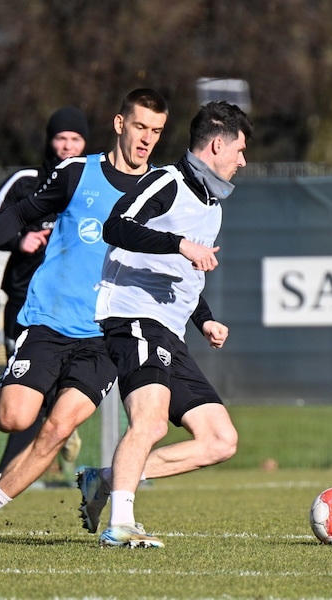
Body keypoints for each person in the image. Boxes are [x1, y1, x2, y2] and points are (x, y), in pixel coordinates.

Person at [0, 88, 169, 541]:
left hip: (106, 336)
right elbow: (22, 212)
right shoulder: (76, 173)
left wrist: (202, 315)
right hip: (50, 322)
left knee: (59, 428)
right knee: (15, 418)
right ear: (120, 123)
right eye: (140, 127)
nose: (146, 139)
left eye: (157, 132)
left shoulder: (160, 188)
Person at [78, 100, 254, 548]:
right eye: (240, 150)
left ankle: (103, 480)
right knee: (151, 423)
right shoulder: (165, 181)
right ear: (218, 144)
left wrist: (206, 320)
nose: (243, 161)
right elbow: (117, 227)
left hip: (169, 333)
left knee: (220, 440)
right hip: (133, 317)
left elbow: (183, 275)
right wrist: (180, 244)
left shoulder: (212, 206)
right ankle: (120, 525)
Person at [0, 107, 89, 498]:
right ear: (49, 141)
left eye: (76, 139)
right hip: (25, 303)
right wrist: (18, 240)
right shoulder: (26, 182)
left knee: (50, 398)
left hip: (73, 307)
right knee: (24, 397)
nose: (68, 145)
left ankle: (1, 479)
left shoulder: (93, 184)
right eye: (61, 138)